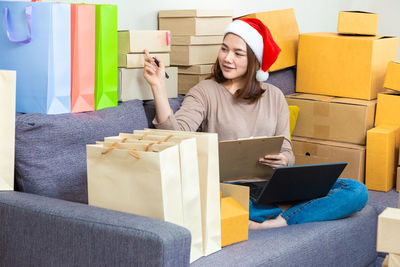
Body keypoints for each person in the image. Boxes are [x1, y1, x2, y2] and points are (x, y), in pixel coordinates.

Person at [143, 18, 368, 230]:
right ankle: (279, 214)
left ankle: (279, 222)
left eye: (238, 53)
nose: (227, 58)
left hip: (273, 186)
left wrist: (284, 160)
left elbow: (287, 151)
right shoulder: (205, 91)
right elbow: (174, 136)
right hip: (230, 189)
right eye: (224, 49)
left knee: (355, 190)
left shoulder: (275, 96)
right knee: (212, 200)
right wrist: (158, 88)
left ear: (254, 61)